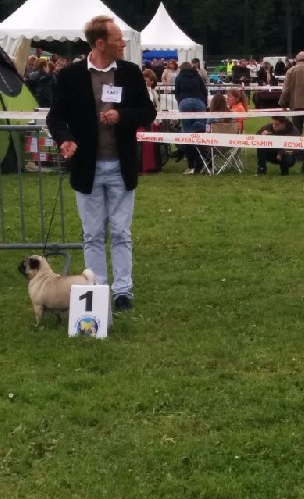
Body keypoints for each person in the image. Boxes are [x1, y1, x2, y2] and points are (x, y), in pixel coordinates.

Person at [46, 15, 156, 312]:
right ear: (100, 43)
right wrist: (65, 138)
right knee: (92, 234)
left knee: (121, 232)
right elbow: (55, 117)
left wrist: (122, 116)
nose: (123, 43)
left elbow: (147, 111)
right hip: (87, 167)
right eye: (118, 39)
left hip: (121, 166)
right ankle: (97, 291)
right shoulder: (70, 76)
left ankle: (123, 291)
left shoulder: (131, 73)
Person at [174, 61, 208, 175]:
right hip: (199, 102)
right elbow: (204, 90)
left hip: (184, 102)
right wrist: (204, 102)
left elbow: (177, 93)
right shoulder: (197, 76)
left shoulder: (179, 77)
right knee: (199, 132)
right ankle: (201, 161)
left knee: (187, 134)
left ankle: (191, 165)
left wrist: (181, 102)